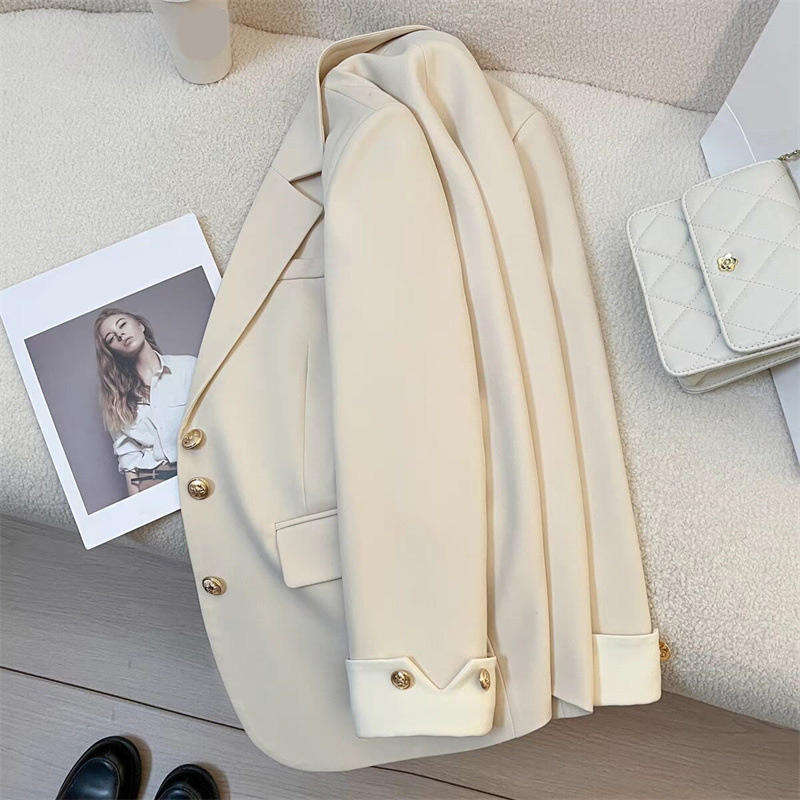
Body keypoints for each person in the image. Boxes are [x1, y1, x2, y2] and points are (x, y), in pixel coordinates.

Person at [94, 307, 196, 496]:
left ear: (140, 325)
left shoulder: (188, 367)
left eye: (122, 325)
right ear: (112, 351)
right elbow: (128, 458)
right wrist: (137, 506)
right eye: (111, 338)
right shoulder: (117, 398)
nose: (120, 335)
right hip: (153, 482)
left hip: (199, 469)